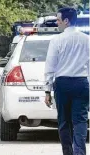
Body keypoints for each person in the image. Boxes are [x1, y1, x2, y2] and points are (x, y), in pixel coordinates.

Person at [44, 7, 89, 155]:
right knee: (80, 121)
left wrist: (47, 90)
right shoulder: (87, 39)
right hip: (81, 83)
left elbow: (50, 65)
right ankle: (80, 153)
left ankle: (68, 152)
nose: (57, 23)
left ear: (66, 21)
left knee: (64, 122)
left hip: (62, 84)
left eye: (58, 19)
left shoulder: (57, 40)